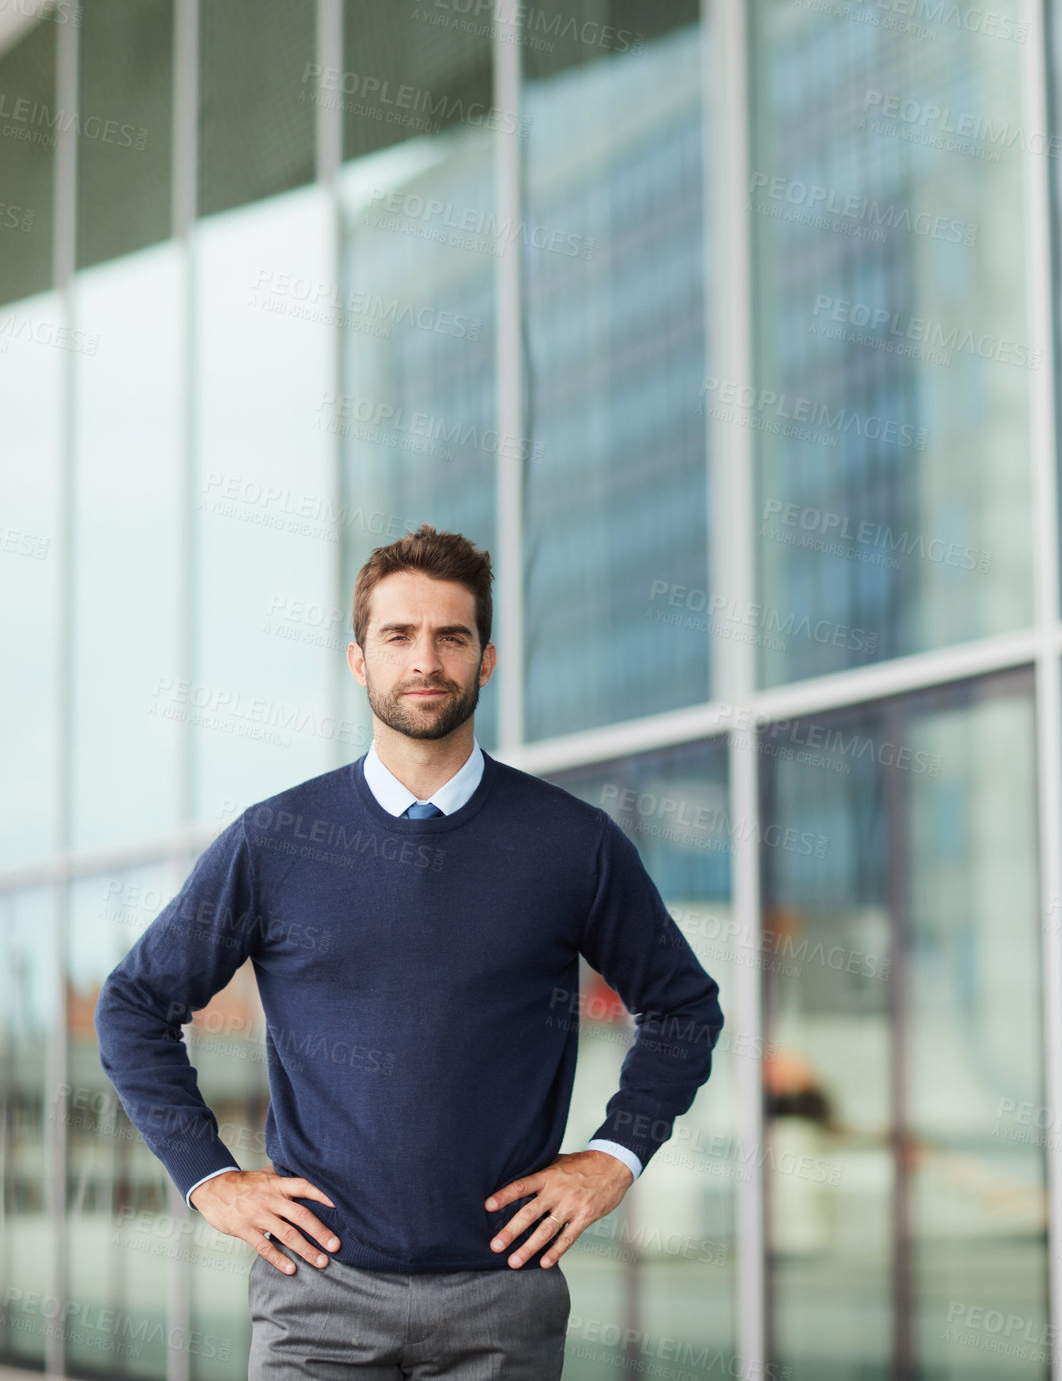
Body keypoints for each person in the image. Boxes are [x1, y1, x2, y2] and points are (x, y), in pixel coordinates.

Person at [96, 525, 723, 1379]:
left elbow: (683, 1007)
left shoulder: (573, 845)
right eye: (398, 636)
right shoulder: (277, 840)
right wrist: (210, 1178)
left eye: (450, 636)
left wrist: (615, 1156)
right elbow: (134, 1006)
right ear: (360, 660)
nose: (424, 659)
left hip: (502, 1299)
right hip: (316, 1296)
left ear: (486, 660)